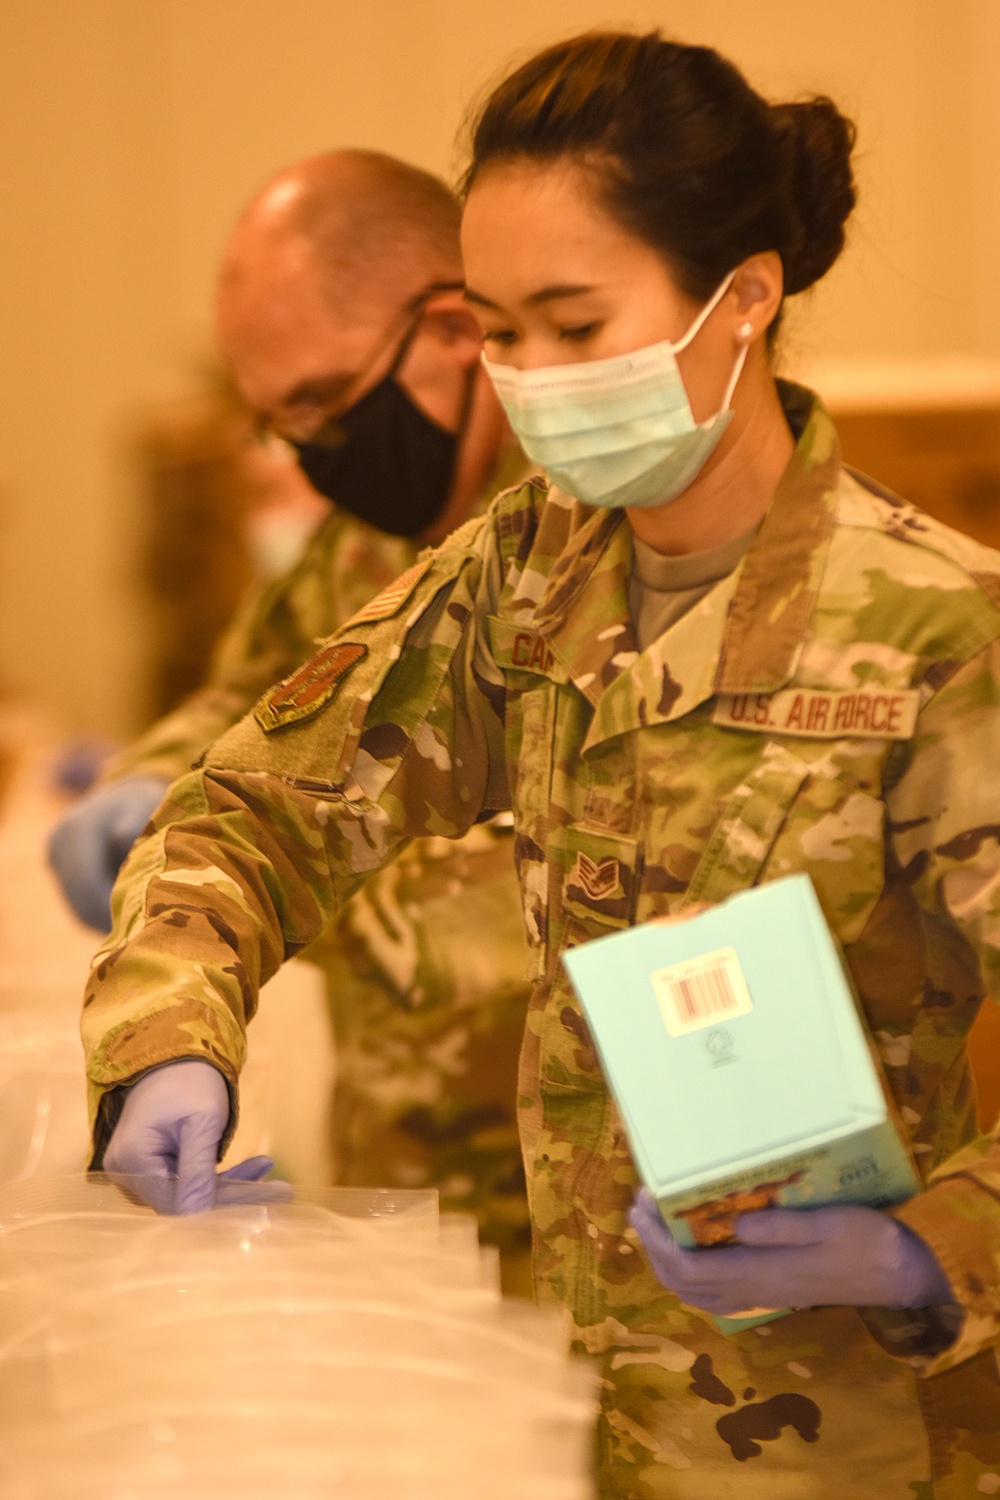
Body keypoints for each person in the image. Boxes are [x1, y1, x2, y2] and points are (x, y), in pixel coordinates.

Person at [79, 33, 1000, 1497]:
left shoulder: (931, 634)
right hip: (573, 1405)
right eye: (501, 331)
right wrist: (170, 1032)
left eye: (578, 324)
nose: (531, 380)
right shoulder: (526, 583)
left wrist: (929, 1245)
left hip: (849, 1443)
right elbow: (258, 800)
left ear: (742, 298)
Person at [52, 150, 533, 1287]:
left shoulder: (583, 537)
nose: (312, 452)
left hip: (604, 1216)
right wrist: (155, 781)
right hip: (410, 1176)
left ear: (453, 326)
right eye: (281, 425)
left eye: (323, 403)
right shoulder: (360, 546)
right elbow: (252, 701)